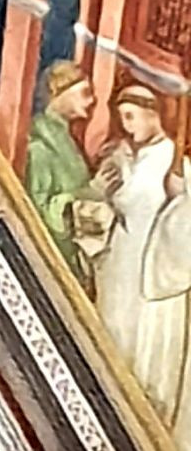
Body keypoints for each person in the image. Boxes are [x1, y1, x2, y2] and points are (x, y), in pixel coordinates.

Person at [86, 84, 188, 420]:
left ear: (151, 113)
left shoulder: (173, 162)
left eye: (131, 117)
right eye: (122, 119)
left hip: (151, 272)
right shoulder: (129, 156)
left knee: (143, 349)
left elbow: (177, 222)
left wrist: (180, 199)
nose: (127, 126)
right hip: (121, 264)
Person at [24, 60, 96, 277]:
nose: (92, 101)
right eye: (85, 92)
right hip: (53, 256)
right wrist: (84, 195)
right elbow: (39, 209)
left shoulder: (63, 136)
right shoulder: (40, 143)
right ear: (59, 92)